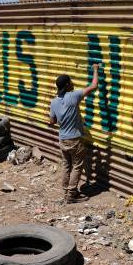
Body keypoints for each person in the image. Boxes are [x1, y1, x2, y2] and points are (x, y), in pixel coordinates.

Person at [49, 63, 99, 203]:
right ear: (66, 85)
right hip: (74, 140)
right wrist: (95, 70)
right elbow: (93, 86)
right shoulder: (73, 96)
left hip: (63, 139)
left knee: (66, 165)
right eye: (70, 82)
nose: (73, 83)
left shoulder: (53, 102)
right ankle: (71, 195)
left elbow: (52, 121)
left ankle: (66, 191)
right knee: (77, 166)